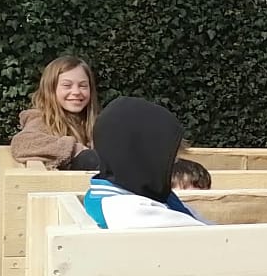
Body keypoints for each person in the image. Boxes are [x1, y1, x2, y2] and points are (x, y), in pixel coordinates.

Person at [81, 98, 209, 230]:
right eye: (170, 160)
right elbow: (210, 236)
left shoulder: (118, 191)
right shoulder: (128, 211)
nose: (173, 166)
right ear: (144, 155)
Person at [12, 56, 100, 169]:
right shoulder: (42, 119)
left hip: (97, 179)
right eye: (67, 85)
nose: (76, 92)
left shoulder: (97, 122)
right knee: (89, 158)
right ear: (51, 89)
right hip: (63, 180)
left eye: (83, 86)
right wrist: (74, 148)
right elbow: (22, 144)